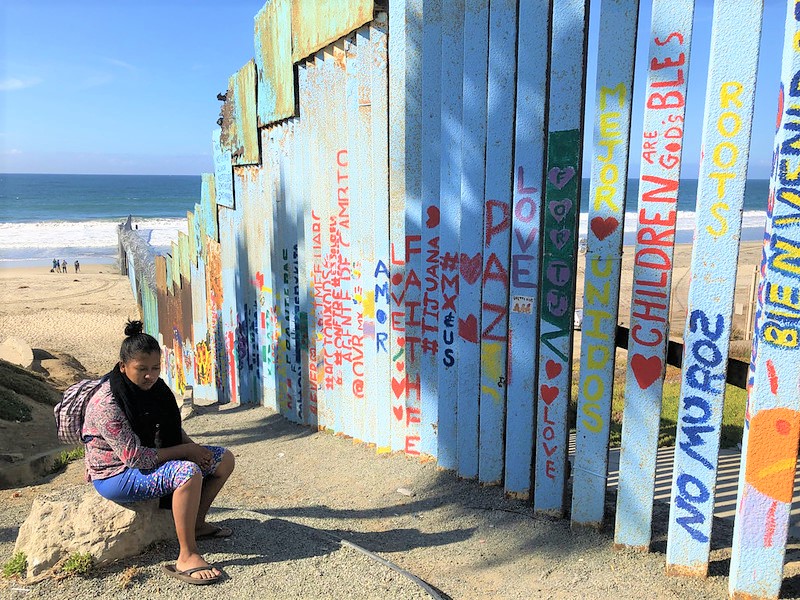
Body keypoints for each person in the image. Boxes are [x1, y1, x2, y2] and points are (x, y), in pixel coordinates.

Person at [82, 320, 235, 585]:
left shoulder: (156, 389)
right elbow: (134, 457)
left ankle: (197, 524)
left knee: (223, 460)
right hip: (116, 473)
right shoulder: (107, 404)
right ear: (123, 367)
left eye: (155, 367)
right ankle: (186, 555)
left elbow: (171, 428)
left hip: (148, 458)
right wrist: (187, 452)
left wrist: (194, 448)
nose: (150, 375)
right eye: (142, 369)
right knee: (187, 472)